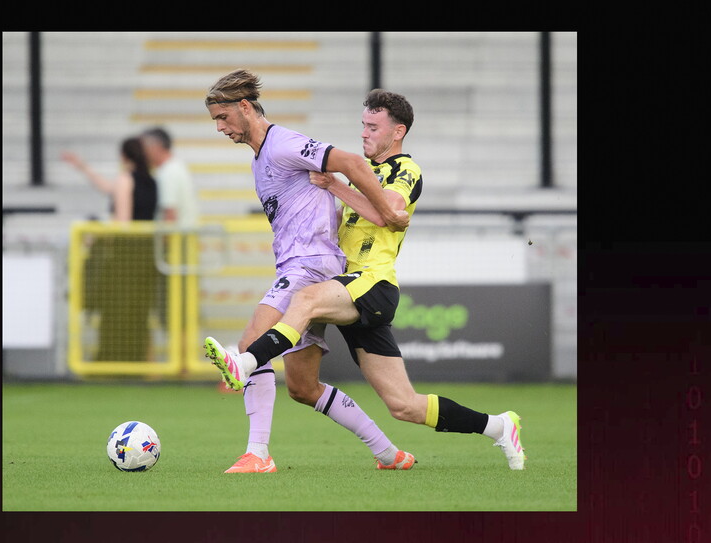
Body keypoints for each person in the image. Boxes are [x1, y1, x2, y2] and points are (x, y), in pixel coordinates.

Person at [206, 89, 527, 471]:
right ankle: (498, 426)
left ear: (398, 132)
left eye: (373, 127)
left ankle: (247, 363)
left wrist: (336, 185)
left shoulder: (404, 169)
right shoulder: (367, 176)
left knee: (305, 300)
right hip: (346, 285)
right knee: (404, 405)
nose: (364, 134)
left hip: (372, 283)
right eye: (362, 126)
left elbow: (390, 212)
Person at [203, 69, 411, 474]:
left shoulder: (282, 144)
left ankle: (258, 455)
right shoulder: (260, 161)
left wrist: (385, 211)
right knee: (302, 386)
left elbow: (350, 161)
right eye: (215, 120)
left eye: (223, 117)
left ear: (245, 108)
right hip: (301, 265)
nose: (220, 128)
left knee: (251, 343)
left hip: (310, 265)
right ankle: (389, 452)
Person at [64, 138, 159, 361]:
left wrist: (96, 232)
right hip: (146, 254)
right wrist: (83, 167)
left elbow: (122, 222)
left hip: (125, 256)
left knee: (117, 310)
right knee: (138, 311)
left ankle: (113, 359)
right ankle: (135, 359)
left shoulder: (126, 179)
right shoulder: (151, 181)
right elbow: (110, 189)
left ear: (124, 156)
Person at [140, 126, 200, 229]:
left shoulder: (168, 172)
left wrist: (164, 242)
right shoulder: (176, 167)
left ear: (155, 147)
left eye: (143, 148)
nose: (142, 154)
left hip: (174, 241)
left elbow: (170, 213)